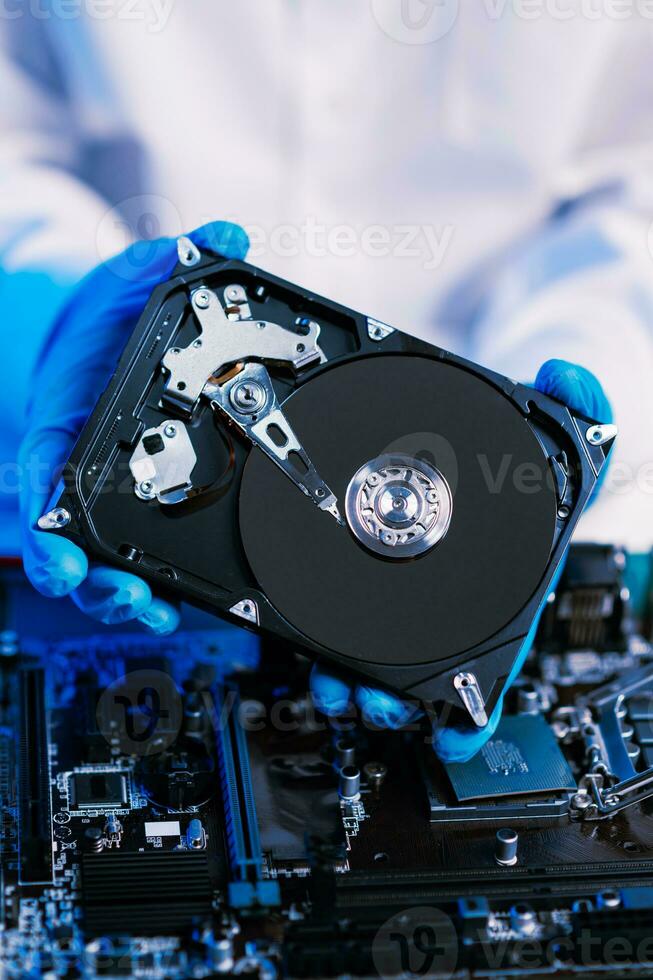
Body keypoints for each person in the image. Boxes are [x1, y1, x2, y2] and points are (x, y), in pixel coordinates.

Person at [1, 3, 650, 760]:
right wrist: (57, 303)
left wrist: (563, 391)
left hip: (491, 466)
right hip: (111, 357)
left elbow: (636, 183)